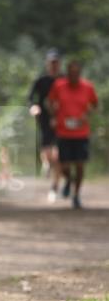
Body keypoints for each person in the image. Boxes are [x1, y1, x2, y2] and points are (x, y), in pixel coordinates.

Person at [46, 60, 98, 210]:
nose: (74, 76)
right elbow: (49, 102)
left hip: (81, 132)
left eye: (77, 73)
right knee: (64, 165)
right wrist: (54, 116)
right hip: (63, 131)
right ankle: (69, 180)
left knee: (80, 165)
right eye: (71, 73)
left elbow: (94, 105)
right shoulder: (59, 86)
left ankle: (76, 195)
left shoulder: (88, 87)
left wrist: (86, 116)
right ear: (67, 73)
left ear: (80, 74)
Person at [28, 49, 61, 202]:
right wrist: (34, 107)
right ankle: (46, 164)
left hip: (62, 120)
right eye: (51, 63)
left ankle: (55, 188)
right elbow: (30, 98)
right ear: (47, 64)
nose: (53, 65)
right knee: (48, 150)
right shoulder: (41, 81)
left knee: (58, 156)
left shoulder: (64, 81)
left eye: (56, 63)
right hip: (45, 119)